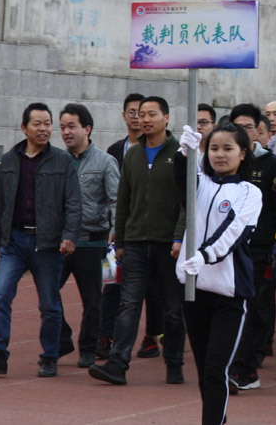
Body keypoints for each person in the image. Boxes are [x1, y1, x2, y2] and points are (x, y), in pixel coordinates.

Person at [0, 103, 81, 378]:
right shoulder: (10, 159)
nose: (44, 128)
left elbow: (73, 203)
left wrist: (69, 236)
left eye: (47, 123)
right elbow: (1, 204)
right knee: (0, 296)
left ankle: (49, 356)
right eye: (37, 123)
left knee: (49, 303)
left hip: (47, 244)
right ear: (24, 128)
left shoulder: (62, 160)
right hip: (15, 242)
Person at [89, 96, 187, 386]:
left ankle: (175, 363)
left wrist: (179, 236)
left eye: (152, 114)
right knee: (128, 304)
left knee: (173, 309)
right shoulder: (132, 154)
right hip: (134, 243)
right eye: (141, 114)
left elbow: (186, 201)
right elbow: (124, 199)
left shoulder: (181, 153)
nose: (144, 119)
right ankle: (117, 364)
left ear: (166, 118)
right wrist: (119, 240)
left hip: (168, 245)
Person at [174, 122, 263, 425]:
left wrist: (204, 256)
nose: (220, 155)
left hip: (228, 294)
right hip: (194, 291)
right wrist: (184, 153)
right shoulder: (201, 183)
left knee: (215, 370)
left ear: (243, 153)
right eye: (213, 148)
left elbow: (233, 232)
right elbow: (181, 181)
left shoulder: (250, 193)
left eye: (228, 148)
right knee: (203, 372)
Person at [227, 104, 276, 391]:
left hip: (258, 248)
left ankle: (247, 368)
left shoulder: (270, 164)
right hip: (225, 247)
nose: (243, 132)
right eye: (237, 127)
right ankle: (231, 363)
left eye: (249, 128)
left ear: (259, 131)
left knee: (252, 307)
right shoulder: (221, 160)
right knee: (228, 306)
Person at [58, 103, 120, 368]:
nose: (66, 132)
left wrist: (116, 233)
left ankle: (88, 348)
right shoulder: (57, 161)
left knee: (93, 299)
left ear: (87, 128)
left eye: (71, 126)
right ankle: (62, 340)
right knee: (48, 292)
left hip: (92, 240)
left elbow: (117, 200)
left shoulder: (106, 162)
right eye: (62, 127)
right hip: (60, 241)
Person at [102, 92, 163, 360]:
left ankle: (155, 339)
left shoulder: (169, 152)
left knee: (157, 292)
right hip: (125, 233)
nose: (139, 118)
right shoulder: (117, 151)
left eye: (146, 113)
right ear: (125, 115)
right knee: (115, 288)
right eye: (134, 112)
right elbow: (117, 196)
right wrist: (116, 231)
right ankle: (108, 341)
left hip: (157, 236)